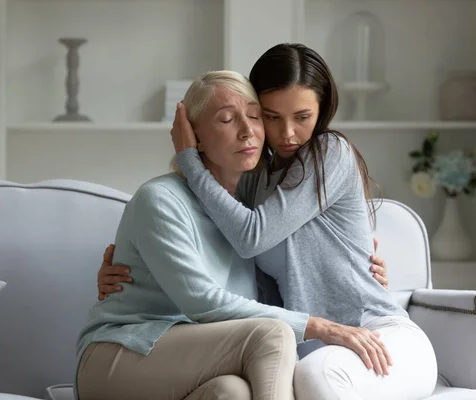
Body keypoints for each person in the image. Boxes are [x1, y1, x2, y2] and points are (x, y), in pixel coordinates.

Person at [76, 70, 391, 400]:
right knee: (272, 335)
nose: (247, 131)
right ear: (193, 135)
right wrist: (319, 326)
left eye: (255, 117)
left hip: (204, 359)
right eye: (227, 119)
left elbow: (295, 267)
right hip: (122, 353)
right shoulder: (160, 200)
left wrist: (359, 269)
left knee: (233, 393)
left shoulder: (253, 213)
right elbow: (201, 301)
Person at [172, 43, 438, 400]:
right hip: (314, 348)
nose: (287, 134)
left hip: (379, 336)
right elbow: (203, 227)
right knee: (301, 376)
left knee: (316, 377)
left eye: (302, 116)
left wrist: (189, 159)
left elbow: (253, 237)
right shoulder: (257, 178)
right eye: (271, 116)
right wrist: (128, 261)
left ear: (322, 110)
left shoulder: (330, 152)